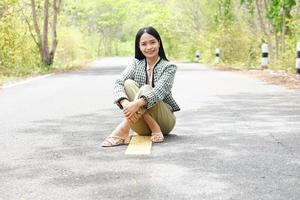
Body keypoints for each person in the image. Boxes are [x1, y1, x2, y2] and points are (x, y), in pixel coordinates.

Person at [102, 26, 180, 147]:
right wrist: (125, 103)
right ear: (139, 46)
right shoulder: (136, 63)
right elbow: (118, 82)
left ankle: (123, 130)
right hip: (140, 125)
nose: (149, 47)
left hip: (164, 123)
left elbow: (159, 91)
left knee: (147, 89)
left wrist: (136, 104)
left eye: (152, 42)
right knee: (127, 83)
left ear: (159, 43)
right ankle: (151, 124)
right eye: (144, 44)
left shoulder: (169, 67)